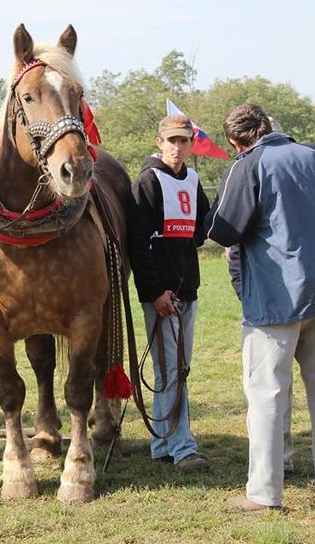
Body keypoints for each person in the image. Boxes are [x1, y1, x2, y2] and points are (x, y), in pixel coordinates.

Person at [206, 103, 315, 513]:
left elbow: (222, 230)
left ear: (236, 142)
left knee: (267, 396)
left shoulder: (248, 164)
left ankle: (263, 493)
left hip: (276, 301)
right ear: (268, 126)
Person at [127, 113, 212, 471]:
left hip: (186, 288)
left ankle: (162, 442)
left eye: (184, 141)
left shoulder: (192, 180)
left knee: (177, 369)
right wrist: (154, 291)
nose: (178, 147)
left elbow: (200, 228)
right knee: (171, 370)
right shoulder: (147, 181)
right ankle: (182, 448)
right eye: (171, 140)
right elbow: (138, 244)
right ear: (159, 142)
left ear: (191, 144)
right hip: (162, 296)